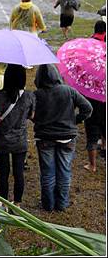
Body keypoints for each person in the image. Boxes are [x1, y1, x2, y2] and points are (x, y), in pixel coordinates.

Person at [33, 64, 92, 211]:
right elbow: (88, 108)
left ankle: (48, 205)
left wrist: (39, 121)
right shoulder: (69, 91)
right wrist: (75, 120)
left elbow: (30, 114)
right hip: (67, 138)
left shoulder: (37, 94)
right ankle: (62, 204)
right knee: (64, 171)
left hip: (44, 138)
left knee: (47, 173)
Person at [0, 64, 36, 206]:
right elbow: (32, 115)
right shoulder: (29, 96)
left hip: (2, 139)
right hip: (20, 139)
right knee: (18, 172)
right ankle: (17, 203)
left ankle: (3, 201)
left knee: (3, 171)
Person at [84, 95, 105, 173]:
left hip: (92, 117)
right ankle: (103, 147)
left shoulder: (89, 88)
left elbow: (83, 103)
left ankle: (92, 165)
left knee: (92, 140)